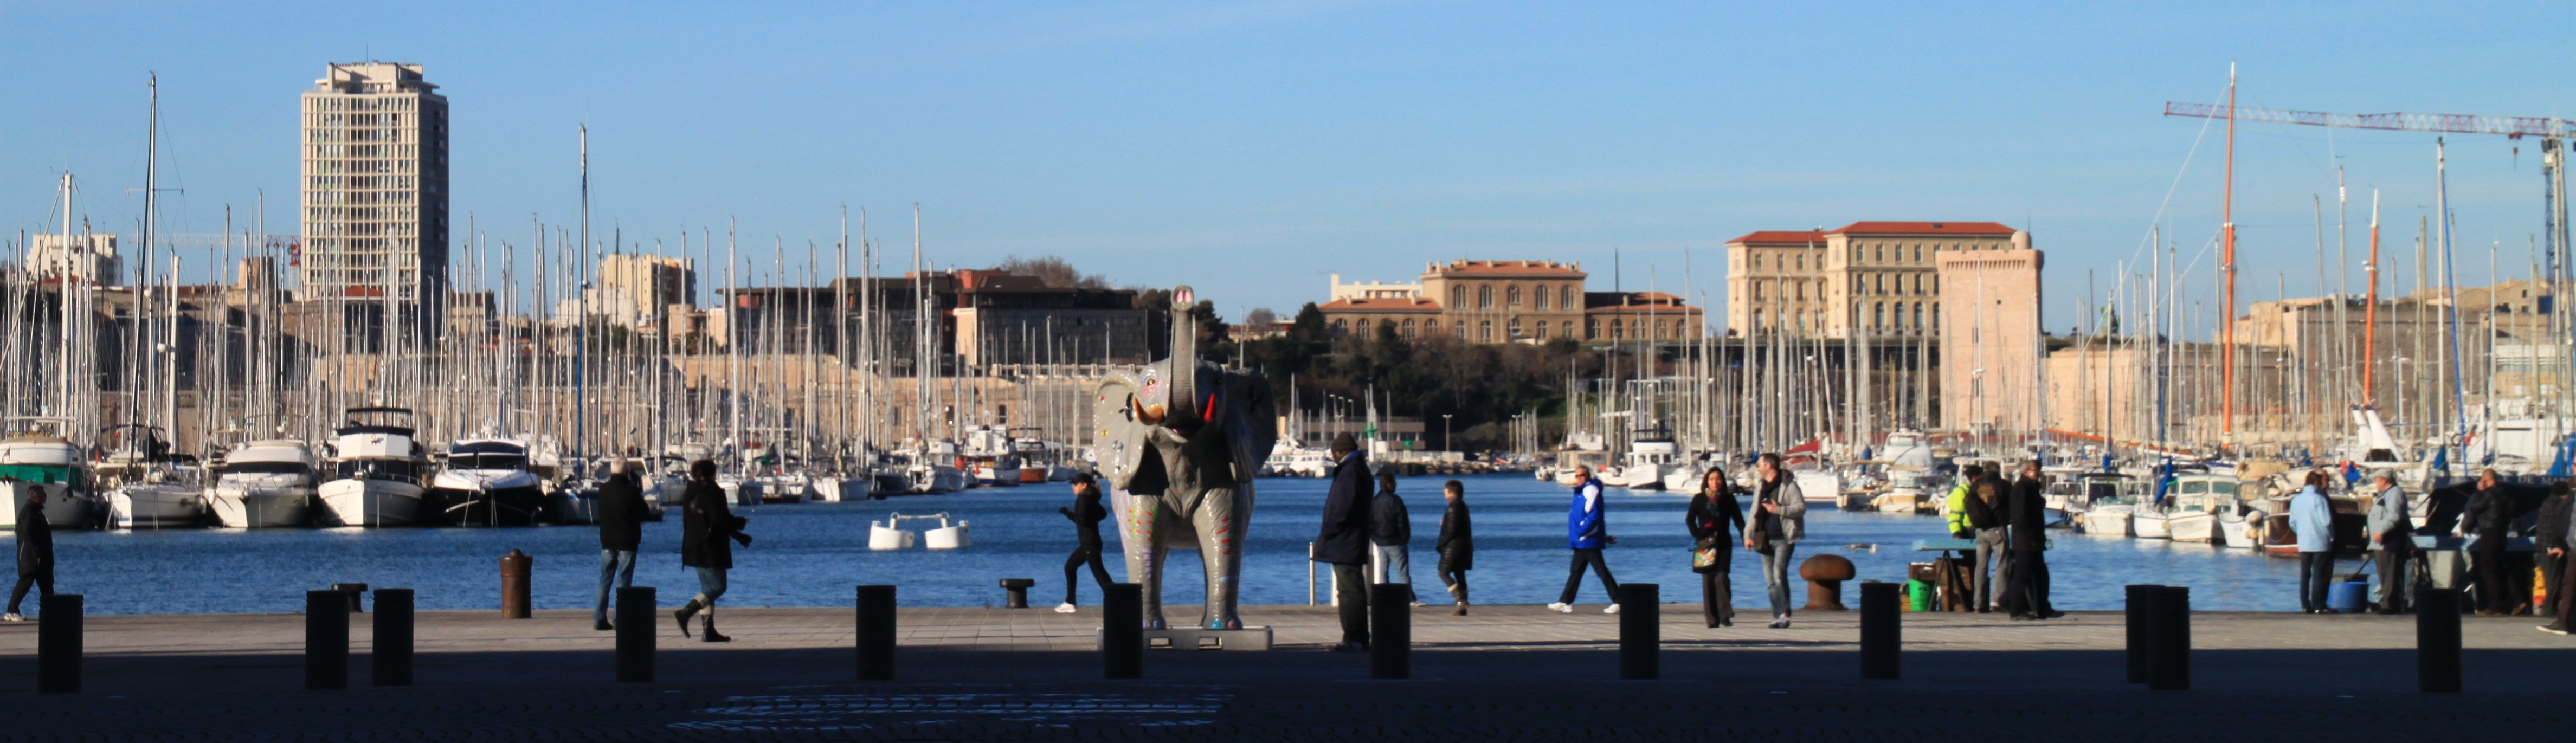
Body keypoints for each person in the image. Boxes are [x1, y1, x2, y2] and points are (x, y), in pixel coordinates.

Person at [674, 459, 751, 642]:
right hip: (711, 546)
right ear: (712, 474)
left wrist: (739, 536)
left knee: (707, 588)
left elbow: (702, 520)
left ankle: (708, 631)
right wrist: (740, 522)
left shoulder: (690, 492)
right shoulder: (713, 492)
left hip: (693, 545)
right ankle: (686, 613)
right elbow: (720, 520)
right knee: (718, 587)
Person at [1312, 434, 1373, 652]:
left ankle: (1354, 637)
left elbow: (1341, 509)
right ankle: (1357, 636)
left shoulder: (1350, 472)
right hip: (1351, 539)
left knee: (1349, 590)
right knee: (1351, 588)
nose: (1333, 458)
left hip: (1345, 540)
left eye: (1333, 453)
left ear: (1340, 452)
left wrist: (1328, 532)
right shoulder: (1357, 469)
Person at [1549, 464, 1621, 614]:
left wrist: (1584, 531)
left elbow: (1595, 515)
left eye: (1582, 475)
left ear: (1588, 476)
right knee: (1576, 571)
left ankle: (1619, 601)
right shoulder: (1580, 492)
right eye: (1577, 476)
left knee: (1601, 571)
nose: (1579, 478)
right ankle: (1565, 601)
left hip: (1588, 539)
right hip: (1581, 540)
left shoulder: (1591, 490)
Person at [1747, 453, 1807, 629]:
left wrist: (1778, 510)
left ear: (1769, 466)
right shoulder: (1760, 487)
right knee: (1770, 580)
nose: (1757, 468)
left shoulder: (1789, 485)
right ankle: (1777, 615)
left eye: (1759, 465)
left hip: (1784, 538)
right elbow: (1754, 512)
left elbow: (1800, 508)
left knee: (1779, 574)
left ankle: (1785, 614)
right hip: (1763, 538)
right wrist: (1747, 536)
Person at [593, 457, 648, 631]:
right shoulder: (630, 491)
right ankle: (619, 619)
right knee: (623, 582)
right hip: (627, 542)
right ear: (627, 472)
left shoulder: (603, 490)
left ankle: (599, 618)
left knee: (605, 581)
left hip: (607, 541)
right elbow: (645, 512)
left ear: (611, 471)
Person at [1686, 468, 1745, 628]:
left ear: (1723, 481)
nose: (1715, 482)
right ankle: (1712, 620)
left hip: (1724, 543)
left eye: (1718, 479)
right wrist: (1698, 535)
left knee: (1721, 578)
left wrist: (1745, 537)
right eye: (1712, 479)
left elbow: (1739, 520)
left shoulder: (1728, 499)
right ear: (1707, 481)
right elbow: (1690, 519)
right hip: (1705, 543)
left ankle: (1725, 615)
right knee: (1708, 580)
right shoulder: (1699, 499)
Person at [2001, 460, 2059, 619]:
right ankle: (2015, 608)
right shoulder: (2021, 489)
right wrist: (2030, 534)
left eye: (2039, 469)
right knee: (2022, 574)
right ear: (2026, 472)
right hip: (2026, 539)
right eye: (2035, 470)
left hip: (2035, 539)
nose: (2038, 472)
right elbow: (2020, 517)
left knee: (2041, 574)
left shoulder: (2033, 489)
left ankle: (2042, 607)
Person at [1055, 472, 1114, 613]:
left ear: (1084, 485)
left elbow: (1081, 520)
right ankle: (1070, 602)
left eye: (1076, 484)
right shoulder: (1092, 498)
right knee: (1071, 568)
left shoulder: (1083, 499)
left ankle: (1117, 600)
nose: (1073, 487)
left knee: (1099, 574)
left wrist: (1067, 513)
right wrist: (1090, 520)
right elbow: (1102, 514)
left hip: (1089, 543)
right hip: (1092, 542)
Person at [2462, 469, 2516, 616]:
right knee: (2499, 569)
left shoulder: (2488, 495)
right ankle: (2505, 604)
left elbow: (2474, 508)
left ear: (2485, 481)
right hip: (2502, 535)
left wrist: (2480, 491)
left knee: (2489, 570)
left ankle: (2495, 606)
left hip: (2489, 534)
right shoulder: (2505, 495)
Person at [2289, 470, 2338, 614]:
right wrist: (2331, 536)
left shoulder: (2296, 500)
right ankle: (2317, 605)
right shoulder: (2319, 499)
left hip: (2304, 541)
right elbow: (2326, 521)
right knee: (2318, 573)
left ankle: (2305, 604)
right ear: (2316, 483)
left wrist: (2302, 533)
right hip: (2320, 541)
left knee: (2305, 574)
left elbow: (2292, 522)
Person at [2365, 473, 2414, 615]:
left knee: (2390, 573)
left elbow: (2394, 515)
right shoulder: (2385, 494)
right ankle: (2389, 602)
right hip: (2380, 542)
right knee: (2386, 573)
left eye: (2377, 480)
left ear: (2384, 481)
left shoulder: (2394, 494)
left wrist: (2381, 531)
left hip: (2389, 539)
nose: (2376, 483)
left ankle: (2390, 604)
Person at [4, 484, 53, 622]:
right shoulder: (28, 512)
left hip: (41, 556)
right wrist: (35, 553)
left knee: (47, 584)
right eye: (43, 494)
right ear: (36, 496)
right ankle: (11, 610)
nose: (46, 496)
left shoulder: (37, 512)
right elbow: (27, 535)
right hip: (31, 556)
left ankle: (52, 611)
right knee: (26, 581)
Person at [1965, 465, 2009, 612]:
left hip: (1980, 529)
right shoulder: (2003, 485)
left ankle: (1979, 604)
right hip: (1997, 528)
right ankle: (1997, 601)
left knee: (1981, 567)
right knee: (2002, 564)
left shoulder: (1976, 485)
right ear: (1998, 471)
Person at [1368, 471, 1415, 604]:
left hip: (1380, 542)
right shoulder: (1396, 501)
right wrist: (1404, 538)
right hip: (1396, 542)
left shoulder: (1374, 501)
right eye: (1394, 483)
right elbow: (1403, 522)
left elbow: (1369, 522)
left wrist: (1374, 537)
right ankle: (1410, 598)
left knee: (1383, 572)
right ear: (1389, 485)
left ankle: (1385, 598)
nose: (1396, 485)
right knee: (1403, 572)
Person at [1435, 479, 1473, 616]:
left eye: (1446, 493)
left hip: (1454, 547)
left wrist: (1441, 544)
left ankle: (1461, 600)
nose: (1445, 496)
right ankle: (1463, 607)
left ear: (1452, 493)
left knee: (1443, 572)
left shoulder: (1453, 508)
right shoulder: (1462, 506)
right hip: (1464, 546)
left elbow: (1451, 530)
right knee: (1460, 573)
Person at [2537, 483, 2570, 619]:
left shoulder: (2548, 503)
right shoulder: (2555, 506)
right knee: (2554, 580)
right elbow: (2553, 530)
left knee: (2552, 579)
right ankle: (2550, 609)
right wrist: (2559, 546)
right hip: (2550, 548)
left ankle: (2549, 607)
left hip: (2544, 547)